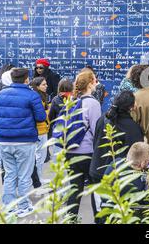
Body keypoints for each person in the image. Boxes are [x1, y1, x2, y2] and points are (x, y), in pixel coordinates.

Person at [0, 68, 46, 217]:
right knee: (24, 175)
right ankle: (23, 206)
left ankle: (9, 207)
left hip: (4, 141)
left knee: (10, 174)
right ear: (26, 79)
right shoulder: (32, 95)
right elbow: (41, 117)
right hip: (25, 141)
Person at [66, 71, 101, 220]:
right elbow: (96, 130)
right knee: (96, 189)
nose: (96, 83)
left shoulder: (72, 101)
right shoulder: (93, 103)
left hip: (71, 152)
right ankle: (98, 219)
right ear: (90, 84)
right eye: (94, 81)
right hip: (88, 152)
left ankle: (70, 219)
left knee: (74, 190)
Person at [90, 90, 144, 184]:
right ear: (131, 107)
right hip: (115, 176)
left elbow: (95, 142)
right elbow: (135, 156)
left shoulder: (103, 118)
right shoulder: (132, 128)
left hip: (96, 169)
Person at [100, 142, 149, 221]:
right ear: (142, 163)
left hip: (107, 216)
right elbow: (147, 204)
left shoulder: (115, 163)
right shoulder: (137, 184)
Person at [30, 77, 51, 184]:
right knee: (40, 156)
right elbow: (40, 115)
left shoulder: (39, 96)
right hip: (40, 130)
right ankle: (38, 179)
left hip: (42, 129)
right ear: (37, 86)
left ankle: (37, 178)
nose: (46, 86)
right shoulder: (37, 98)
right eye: (43, 84)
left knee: (39, 155)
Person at [48, 78, 74, 158]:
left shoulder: (55, 99)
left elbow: (51, 117)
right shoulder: (75, 99)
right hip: (71, 133)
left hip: (58, 133)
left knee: (58, 160)